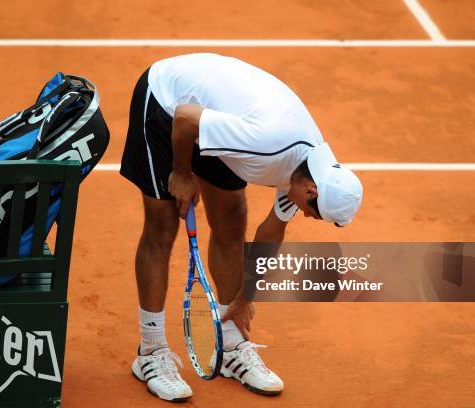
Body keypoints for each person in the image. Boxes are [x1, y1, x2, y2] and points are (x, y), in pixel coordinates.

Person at [120, 53, 363, 402]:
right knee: (161, 227)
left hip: (221, 118)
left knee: (232, 221)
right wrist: (183, 172)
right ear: (310, 192)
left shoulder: (314, 168)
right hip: (168, 103)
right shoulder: (266, 146)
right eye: (317, 213)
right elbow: (186, 119)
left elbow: (270, 233)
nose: (311, 218)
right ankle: (150, 351)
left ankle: (230, 338)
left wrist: (245, 298)